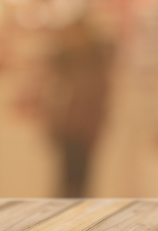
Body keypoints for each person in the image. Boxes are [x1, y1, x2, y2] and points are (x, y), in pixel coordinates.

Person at [42, 18, 112, 197]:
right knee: (65, 180)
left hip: (84, 131)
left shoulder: (94, 64)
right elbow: (53, 96)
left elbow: (100, 99)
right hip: (67, 129)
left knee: (80, 182)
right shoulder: (62, 63)